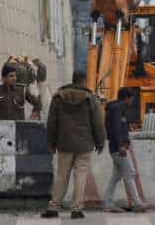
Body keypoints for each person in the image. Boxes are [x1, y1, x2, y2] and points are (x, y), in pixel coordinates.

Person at [42, 71, 105, 220]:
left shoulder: (58, 96)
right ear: (83, 81)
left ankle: (53, 207)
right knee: (80, 176)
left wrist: (51, 142)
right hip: (84, 144)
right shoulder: (90, 98)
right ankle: (76, 209)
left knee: (61, 175)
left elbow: (52, 122)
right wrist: (100, 141)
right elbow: (97, 122)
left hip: (64, 143)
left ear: (73, 80)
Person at [102, 88, 147, 213]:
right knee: (130, 172)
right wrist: (121, 144)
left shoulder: (116, 108)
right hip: (117, 148)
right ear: (126, 98)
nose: (132, 101)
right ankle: (136, 203)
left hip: (115, 147)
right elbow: (116, 128)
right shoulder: (118, 109)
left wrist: (125, 142)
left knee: (116, 176)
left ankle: (107, 203)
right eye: (131, 98)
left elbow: (120, 128)